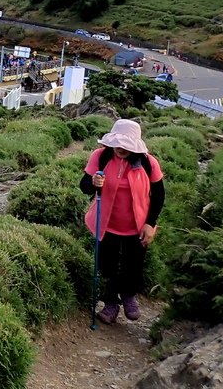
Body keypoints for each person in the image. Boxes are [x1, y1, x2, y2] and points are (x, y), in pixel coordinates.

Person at [79, 119, 165, 324]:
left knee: (133, 266)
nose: (121, 149)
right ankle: (110, 303)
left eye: (126, 145)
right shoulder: (100, 157)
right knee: (108, 267)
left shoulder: (147, 163)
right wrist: (93, 182)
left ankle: (128, 296)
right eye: (118, 144)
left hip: (137, 226)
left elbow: (159, 195)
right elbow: (84, 186)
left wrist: (150, 224)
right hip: (106, 224)